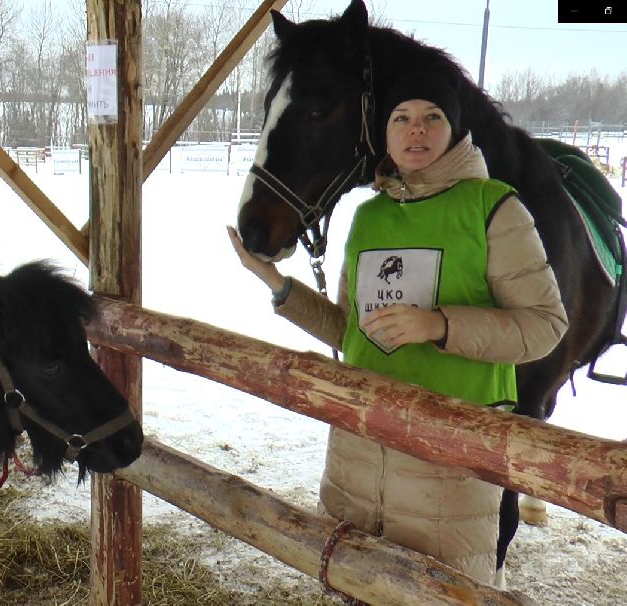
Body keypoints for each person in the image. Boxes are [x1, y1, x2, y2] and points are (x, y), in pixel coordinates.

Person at [226, 73, 568, 585]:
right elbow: (350, 332)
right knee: (357, 583)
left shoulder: (494, 207)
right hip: (359, 450)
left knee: (443, 590)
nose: (417, 130)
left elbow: (545, 328)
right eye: (401, 118)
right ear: (384, 134)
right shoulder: (369, 217)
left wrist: (439, 324)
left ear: (454, 130)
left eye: (433, 117)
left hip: (449, 458)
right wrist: (279, 286)